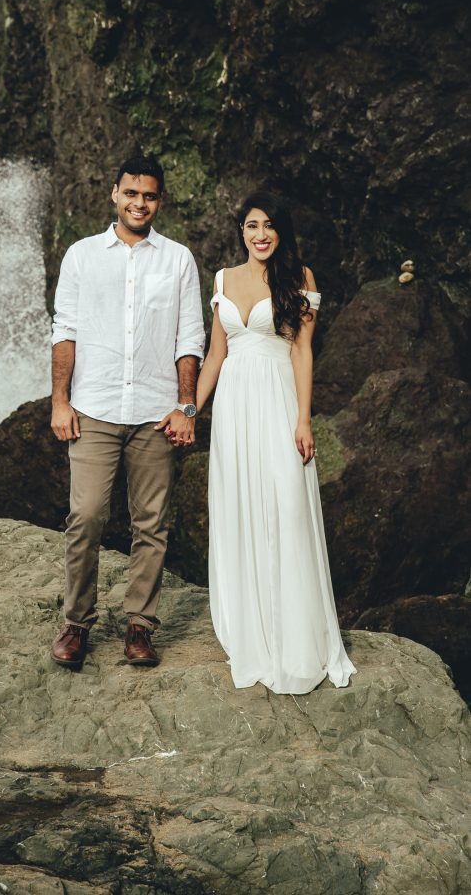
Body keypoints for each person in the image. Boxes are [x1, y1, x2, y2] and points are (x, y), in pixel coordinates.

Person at [196, 190, 356, 694]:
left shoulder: (299, 278)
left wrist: (303, 419)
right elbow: (215, 355)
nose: (259, 234)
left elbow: (303, 352)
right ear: (240, 232)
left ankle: (296, 634)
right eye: (250, 225)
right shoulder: (222, 279)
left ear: (280, 231)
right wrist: (188, 409)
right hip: (233, 409)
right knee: (241, 507)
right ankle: (251, 626)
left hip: (279, 400)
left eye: (268, 225)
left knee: (286, 506)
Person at [49, 154, 205, 669]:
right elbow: (64, 331)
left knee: (152, 524)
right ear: (115, 194)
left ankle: (140, 626)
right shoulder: (82, 255)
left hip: (156, 411)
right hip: (93, 406)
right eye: (132, 193)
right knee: (86, 515)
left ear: (160, 200)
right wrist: (60, 401)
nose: (140, 203)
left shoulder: (178, 259)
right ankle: (76, 624)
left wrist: (186, 406)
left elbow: (190, 338)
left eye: (151, 195)